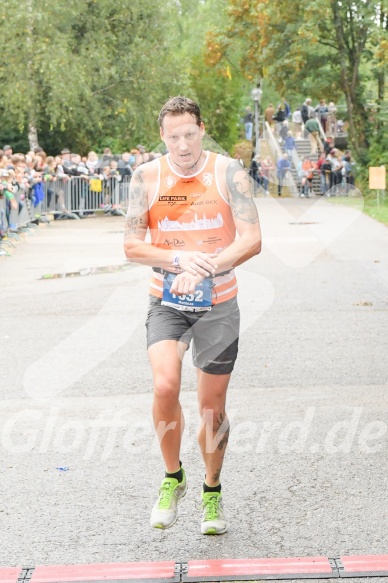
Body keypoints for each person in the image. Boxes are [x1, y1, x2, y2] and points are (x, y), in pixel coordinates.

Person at [123, 96, 262, 535]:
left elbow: (252, 238)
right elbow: (132, 245)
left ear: (202, 129)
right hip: (167, 301)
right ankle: (172, 477)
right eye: (173, 136)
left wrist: (207, 265)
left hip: (219, 304)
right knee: (165, 384)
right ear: (161, 136)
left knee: (211, 410)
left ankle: (212, 488)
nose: (183, 145)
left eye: (190, 134)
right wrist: (180, 261)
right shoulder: (146, 177)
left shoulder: (228, 173)